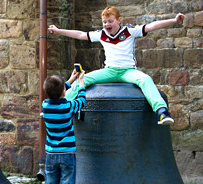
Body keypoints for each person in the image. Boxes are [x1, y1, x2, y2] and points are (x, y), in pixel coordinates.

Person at [48, 7, 185, 125]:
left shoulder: (130, 31)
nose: (107, 24)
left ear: (119, 20)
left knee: (145, 80)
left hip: (128, 71)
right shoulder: (101, 34)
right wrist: (59, 30)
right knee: (82, 80)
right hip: (109, 71)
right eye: (104, 22)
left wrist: (174, 20)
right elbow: (80, 34)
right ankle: (59, 106)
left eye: (110, 21)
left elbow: (152, 26)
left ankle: (162, 112)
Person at [41, 69, 86, 184]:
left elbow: (57, 93)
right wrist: (80, 83)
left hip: (51, 156)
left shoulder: (45, 105)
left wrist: (70, 80)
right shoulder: (68, 107)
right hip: (67, 156)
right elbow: (81, 101)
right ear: (63, 92)